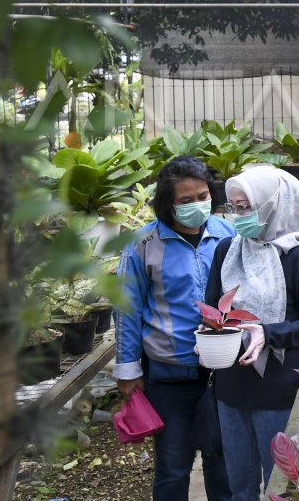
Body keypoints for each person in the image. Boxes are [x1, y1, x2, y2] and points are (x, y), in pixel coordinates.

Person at [201, 164, 299, 501]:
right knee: (239, 483)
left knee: (279, 482)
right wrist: (206, 335)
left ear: (270, 205)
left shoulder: (294, 256)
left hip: (276, 387)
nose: (237, 216)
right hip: (231, 385)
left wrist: (268, 333)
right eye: (232, 207)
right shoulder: (227, 251)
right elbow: (212, 309)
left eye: (245, 207)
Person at [114, 156, 233, 501]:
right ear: (168, 204)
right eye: (186, 200)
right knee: (173, 467)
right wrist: (127, 370)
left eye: (202, 196)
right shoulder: (142, 244)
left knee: (222, 463)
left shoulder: (227, 234)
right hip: (169, 376)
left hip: (221, 373)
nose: (197, 205)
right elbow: (126, 310)